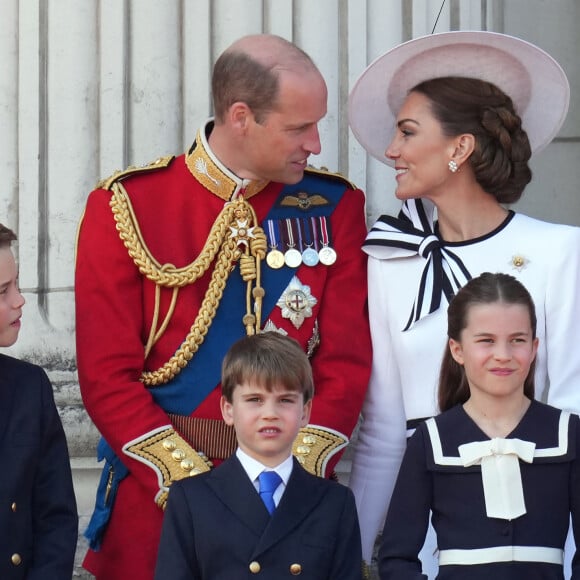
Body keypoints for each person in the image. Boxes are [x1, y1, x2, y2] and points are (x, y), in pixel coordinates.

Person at [75, 33, 371, 579]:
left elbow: (346, 364)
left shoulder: (335, 207)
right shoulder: (127, 206)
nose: (316, 144)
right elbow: (105, 376)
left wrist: (287, 472)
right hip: (162, 501)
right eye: (298, 127)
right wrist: (196, 489)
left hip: (289, 502)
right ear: (241, 117)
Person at [347, 30, 580, 576]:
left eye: (407, 133)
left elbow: (572, 410)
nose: (391, 151)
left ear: (460, 148)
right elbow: (383, 430)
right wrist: (351, 554)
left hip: (532, 534)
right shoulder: (389, 260)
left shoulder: (561, 251)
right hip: (424, 537)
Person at [379, 272, 580, 579]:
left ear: (535, 347)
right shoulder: (431, 440)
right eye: (486, 341)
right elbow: (396, 558)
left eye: (518, 340)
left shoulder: (568, 434)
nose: (503, 355)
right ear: (457, 349)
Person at [154, 331, 363, 579]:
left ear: (305, 412)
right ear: (228, 410)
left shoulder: (335, 503)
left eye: (285, 400)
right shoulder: (191, 499)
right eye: (255, 399)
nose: (270, 413)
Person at [0, 223, 78, 579]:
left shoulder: (30, 387)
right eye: (3, 291)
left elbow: (56, 518)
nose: (20, 300)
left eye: (16, 284)